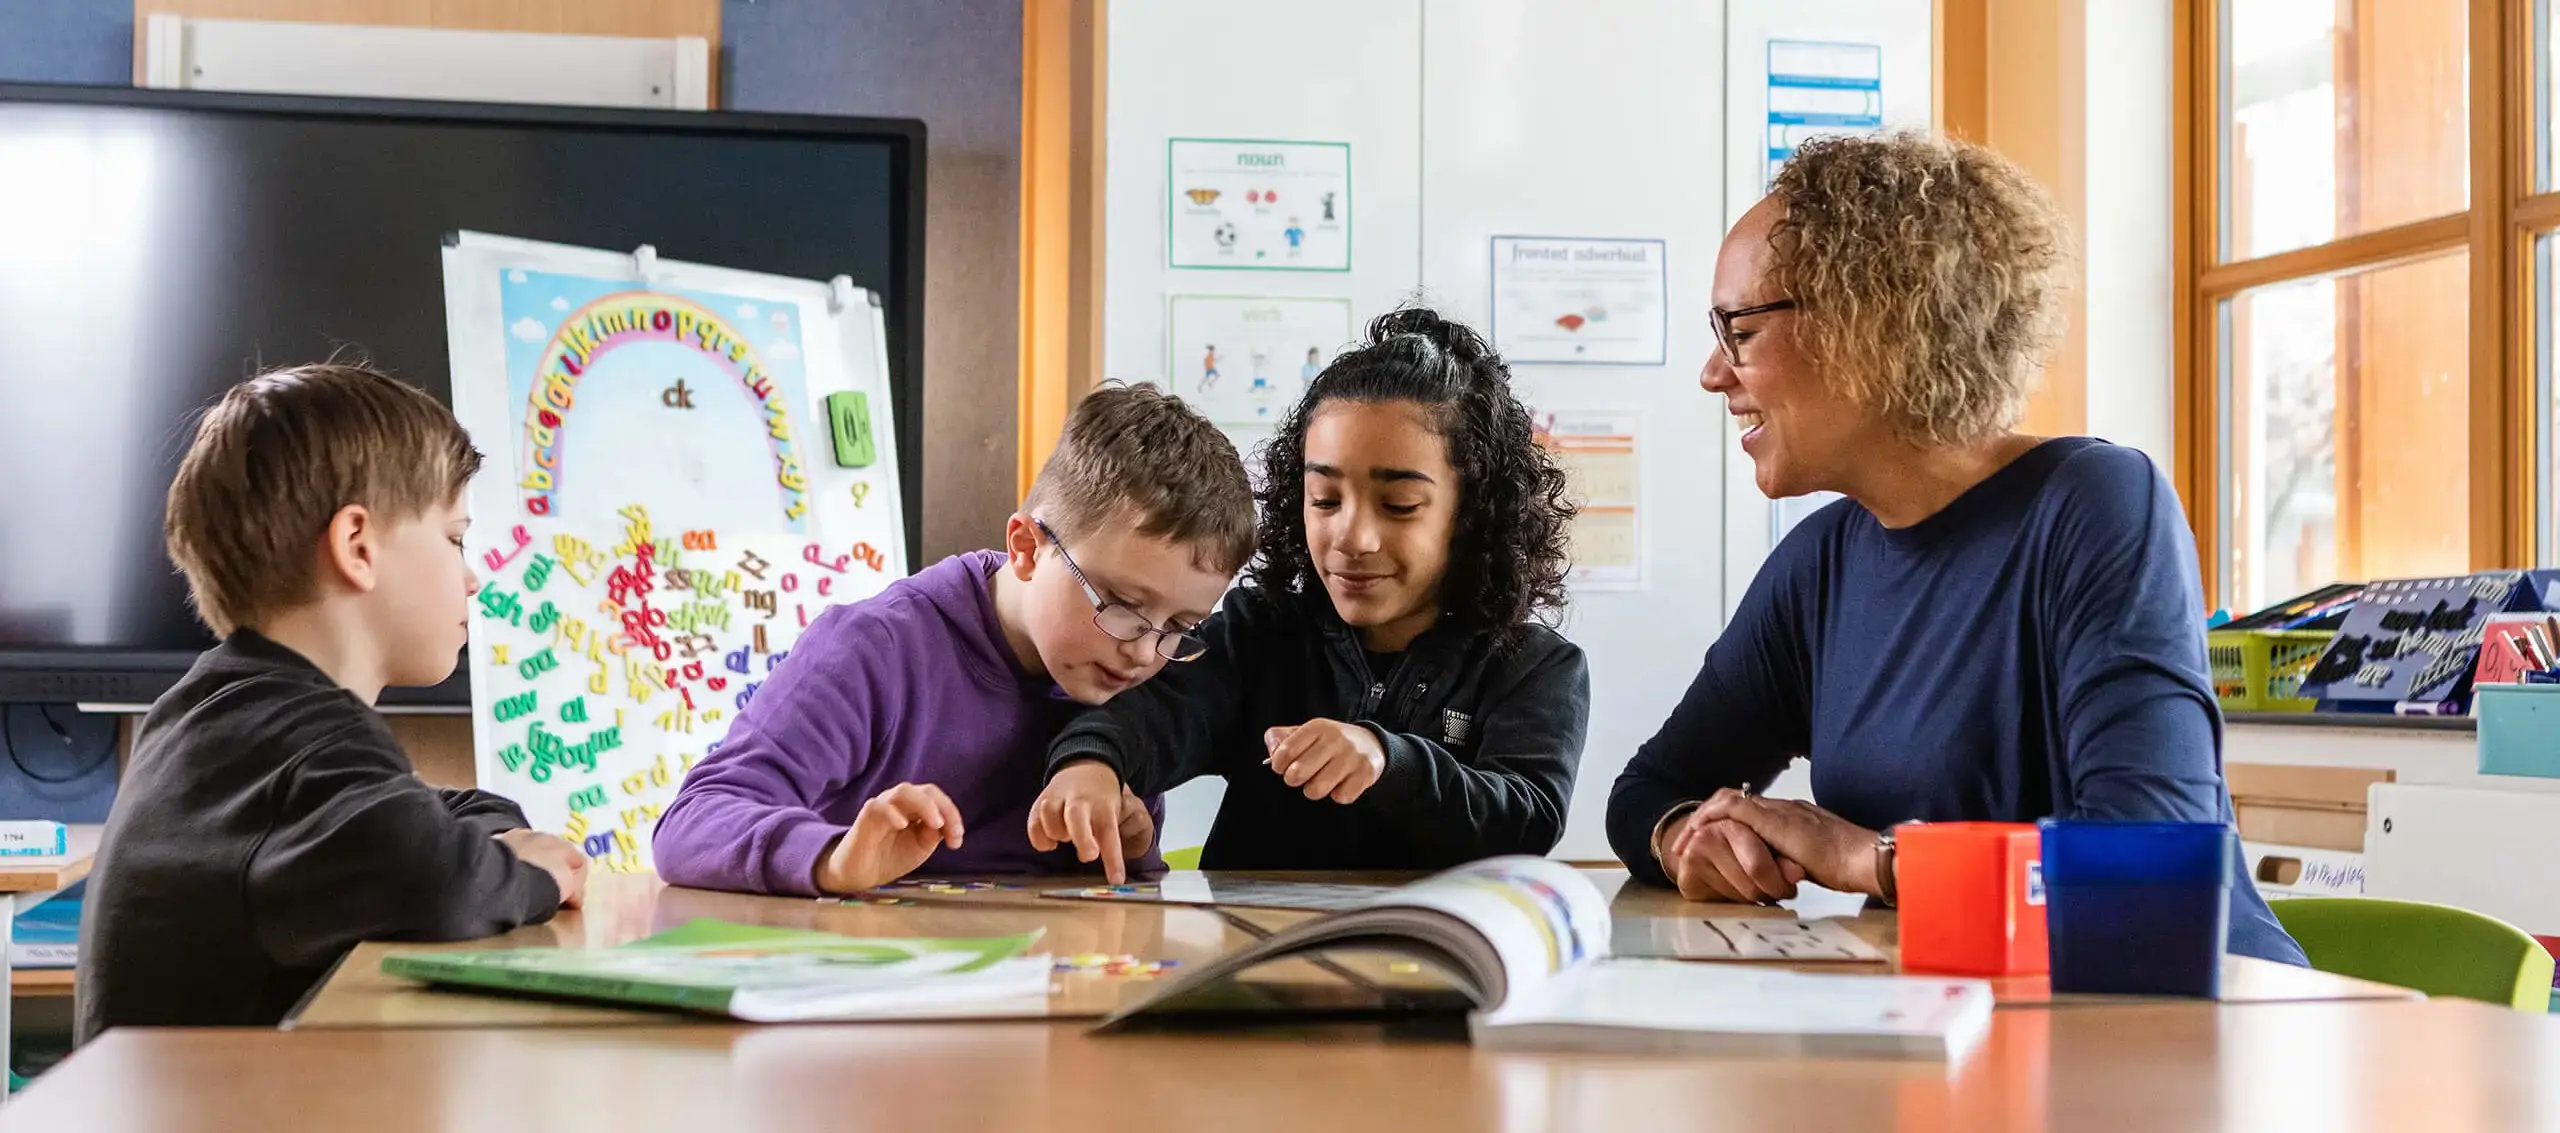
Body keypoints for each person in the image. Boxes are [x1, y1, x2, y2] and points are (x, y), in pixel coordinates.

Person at [1605, 132, 2305, 965]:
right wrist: (1690, 835)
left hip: (2172, 1027)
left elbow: (2153, 860)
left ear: (1872, 320)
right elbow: (1645, 790)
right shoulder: (1820, 566)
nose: (1713, 373)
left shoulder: (2097, 506)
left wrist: (1871, 859)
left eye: (1740, 330)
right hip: (1963, 1025)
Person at [78, 364, 588, 1041]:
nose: (472, 577)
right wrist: (530, 872)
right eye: (454, 537)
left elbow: (429, 815)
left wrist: (485, 833)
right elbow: (429, 874)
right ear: (357, 546)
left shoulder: (227, 711)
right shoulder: (302, 736)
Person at [1031, 309, 1590, 880]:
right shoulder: (1261, 635)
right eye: (1324, 498)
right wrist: (1091, 764)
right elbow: (1146, 717)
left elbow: (1528, 820)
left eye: (1398, 506)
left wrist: (1388, 761)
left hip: (1434, 956)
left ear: (1473, 514)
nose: (1351, 537)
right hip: (1260, 955)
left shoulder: (1535, 668)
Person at [652, 384, 1255, 895]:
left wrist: (1132, 847)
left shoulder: (1117, 680)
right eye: (1123, 606)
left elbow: (1102, 916)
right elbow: (692, 821)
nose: (1147, 653)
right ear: (1025, 548)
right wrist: (834, 858)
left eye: (1180, 628)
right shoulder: (872, 651)